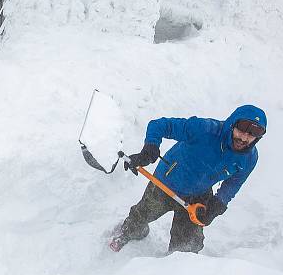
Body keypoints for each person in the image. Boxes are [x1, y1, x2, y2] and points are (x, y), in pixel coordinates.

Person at [109, 105, 267, 254]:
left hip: (198, 196)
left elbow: (234, 183)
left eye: (253, 134)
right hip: (167, 182)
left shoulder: (249, 158)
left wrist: (219, 202)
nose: (245, 137)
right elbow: (160, 125)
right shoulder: (204, 129)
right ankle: (130, 232)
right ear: (233, 123)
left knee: (186, 249)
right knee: (142, 215)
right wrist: (150, 148)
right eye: (242, 128)